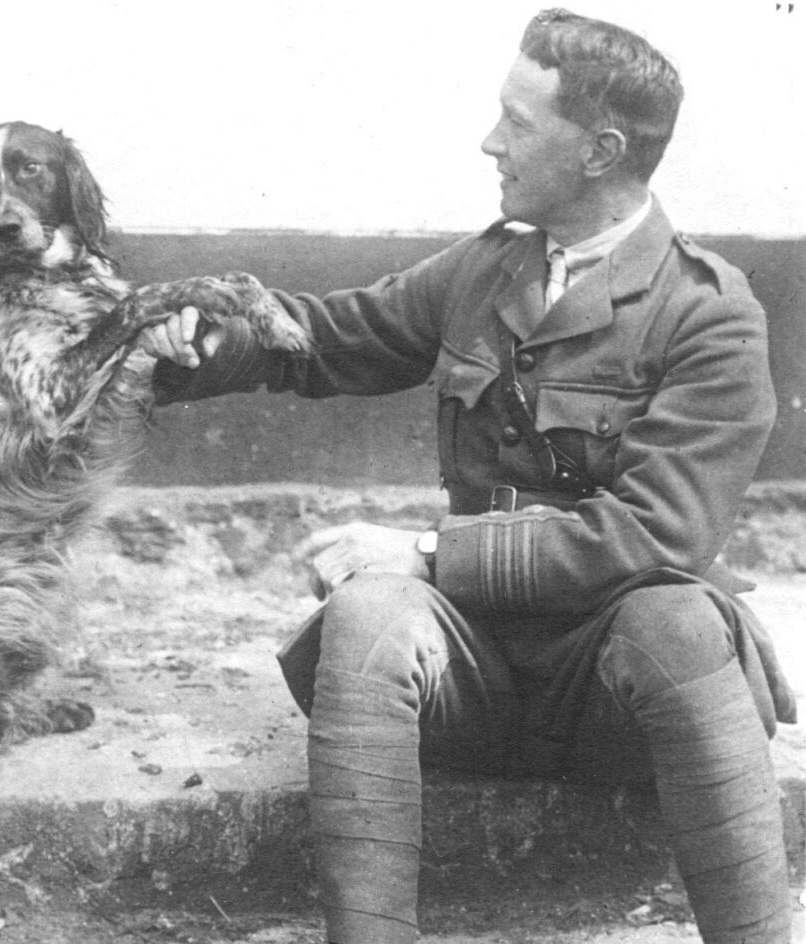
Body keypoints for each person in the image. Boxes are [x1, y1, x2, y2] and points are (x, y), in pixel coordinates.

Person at [141, 9, 796, 944]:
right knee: (366, 614)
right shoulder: (490, 269)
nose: (490, 141)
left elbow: (653, 536)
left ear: (601, 151)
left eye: (519, 123)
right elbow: (329, 338)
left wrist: (422, 551)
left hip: (616, 693)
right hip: (477, 676)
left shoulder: (709, 313)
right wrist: (202, 334)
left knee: (682, 619)